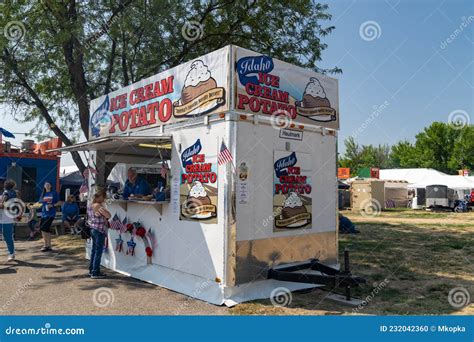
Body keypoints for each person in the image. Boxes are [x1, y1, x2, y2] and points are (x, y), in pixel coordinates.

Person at [88, 187, 111, 279]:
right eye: (103, 197)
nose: (104, 199)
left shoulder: (90, 204)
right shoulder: (98, 206)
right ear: (99, 196)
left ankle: (92, 269)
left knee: (94, 250)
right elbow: (108, 215)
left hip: (93, 228)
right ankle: (95, 271)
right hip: (99, 229)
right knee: (98, 251)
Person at [0, 179, 19, 261]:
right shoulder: (7, 195)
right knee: (8, 237)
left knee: (7, 237)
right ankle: (11, 253)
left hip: (7, 220)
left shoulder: (9, 195)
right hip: (5, 219)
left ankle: (11, 253)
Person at [39, 182, 59, 252]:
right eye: (46, 185)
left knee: (44, 228)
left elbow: (59, 202)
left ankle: (46, 245)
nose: (47, 186)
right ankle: (48, 245)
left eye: (48, 185)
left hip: (51, 214)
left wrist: (52, 205)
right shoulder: (43, 194)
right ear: (44, 186)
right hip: (44, 214)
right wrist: (34, 207)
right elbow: (40, 203)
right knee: (43, 229)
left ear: (51, 186)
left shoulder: (54, 193)